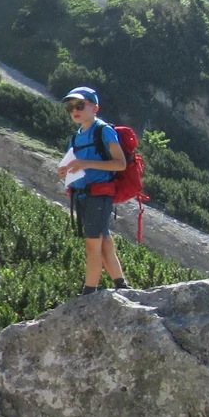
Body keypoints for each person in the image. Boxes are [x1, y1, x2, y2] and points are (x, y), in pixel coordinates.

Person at [57, 86, 129, 293]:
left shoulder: (103, 130)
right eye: (70, 108)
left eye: (80, 105)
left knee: (92, 243)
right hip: (82, 195)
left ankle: (89, 290)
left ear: (95, 107)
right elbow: (76, 163)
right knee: (103, 239)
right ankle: (121, 284)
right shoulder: (75, 137)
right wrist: (66, 173)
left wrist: (86, 163)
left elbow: (120, 164)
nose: (74, 111)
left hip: (100, 193)